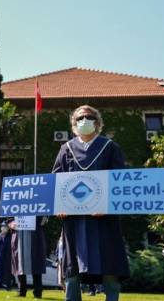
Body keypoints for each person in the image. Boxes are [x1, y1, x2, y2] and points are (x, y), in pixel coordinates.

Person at [52, 105, 130, 301]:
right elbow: (56, 180)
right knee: (73, 268)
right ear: (73, 124)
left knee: (109, 263)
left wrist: (106, 205)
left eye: (88, 117)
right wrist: (59, 206)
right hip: (74, 219)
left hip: (104, 218)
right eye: (79, 118)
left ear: (97, 122)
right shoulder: (66, 149)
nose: (83, 121)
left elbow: (120, 181)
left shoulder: (110, 147)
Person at [10, 216, 47, 298]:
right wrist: (10, 223)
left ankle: (38, 292)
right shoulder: (14, 203)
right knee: (19, 263)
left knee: (36, 263)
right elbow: (9, 216)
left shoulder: (38, 203)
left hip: (35, 234)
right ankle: (21, 291)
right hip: (19, 234)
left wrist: (44, 218)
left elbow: (44, 215)